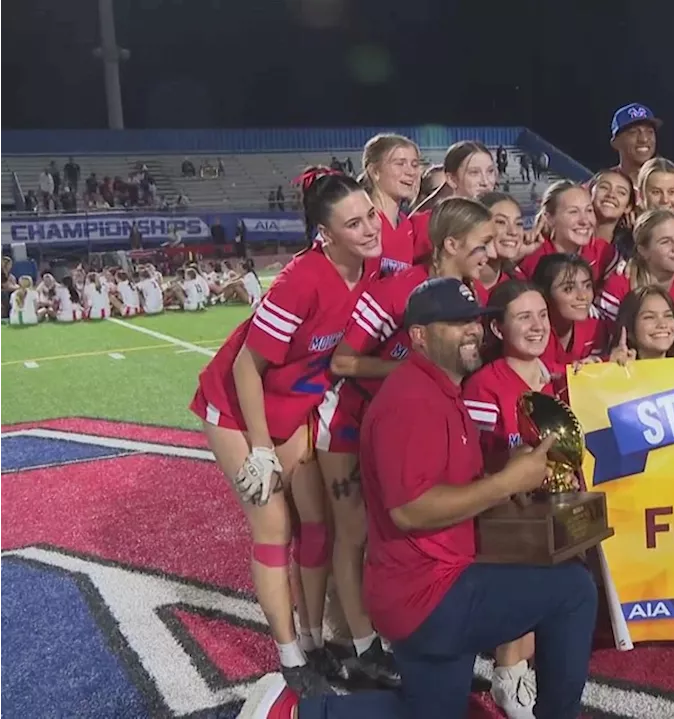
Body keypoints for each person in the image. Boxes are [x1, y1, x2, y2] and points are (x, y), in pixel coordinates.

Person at [236, 278, 598, 719]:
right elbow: (411, 509)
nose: (472, 331)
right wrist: (504, 483)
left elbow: (452, 488)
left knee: (431, 712)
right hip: (429, 593)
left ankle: (292, 714)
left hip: (424, 585)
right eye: (455, 322)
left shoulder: (439, 390)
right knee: (573, 590)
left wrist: (507, 479)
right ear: (419, 336)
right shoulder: (413, 400)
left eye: (475, 321)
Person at [190, 167, 382, 697]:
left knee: (316, 525)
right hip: (236, 407)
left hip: (293, 407)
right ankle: (290, 654)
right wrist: (257, 447)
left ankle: (316, 637)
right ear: (326, 233)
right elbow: (245, 369)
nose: (370, 228)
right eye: (354, 223)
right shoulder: (303, 278)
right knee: (273, 525)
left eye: (370, 215)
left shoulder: (368, 269)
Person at [318, 197, 497, 689]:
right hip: (352, 418)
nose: (489, 253)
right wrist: (415, 373)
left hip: (411, 421)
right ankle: (362, 647)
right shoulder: (397, 289)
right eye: (481, 245)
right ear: (452, 245)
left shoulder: (467, 294)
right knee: (356, 533)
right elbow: (343, 362)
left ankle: (414, 641)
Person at [461, 280, 560, 717]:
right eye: (524, 317)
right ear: (498, 330)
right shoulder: (485, 385)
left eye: (542, 315)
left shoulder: (556, 374)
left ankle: (523, 667)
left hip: (550, 508)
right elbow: (474, 464)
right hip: (505, 517)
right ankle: (508, 674)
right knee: (523, 583)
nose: (537, 325)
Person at [518, 181, 615, 284]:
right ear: (549, 218)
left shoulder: (603, 251)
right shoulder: (532, 256)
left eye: (589, 210)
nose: (585, 221)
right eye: (573, 212)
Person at [358, 133, 422, 273]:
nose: (411, 172)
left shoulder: (407, 226)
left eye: (415, 164)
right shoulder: (359, 224)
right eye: (400, 164)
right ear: (375, 171)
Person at [530, 253, 608, 367]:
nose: (583, 296)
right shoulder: (533, 331)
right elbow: (537, 374)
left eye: (587, 286)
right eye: (568, 289)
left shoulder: (596, 329)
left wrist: (612, 361)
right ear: (544, 294)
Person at [609, 103, 661, 184]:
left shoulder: (668, 186)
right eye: (633, 132)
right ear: (615, 142)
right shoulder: (600, 188)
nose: (644, 139)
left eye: (649, 132)